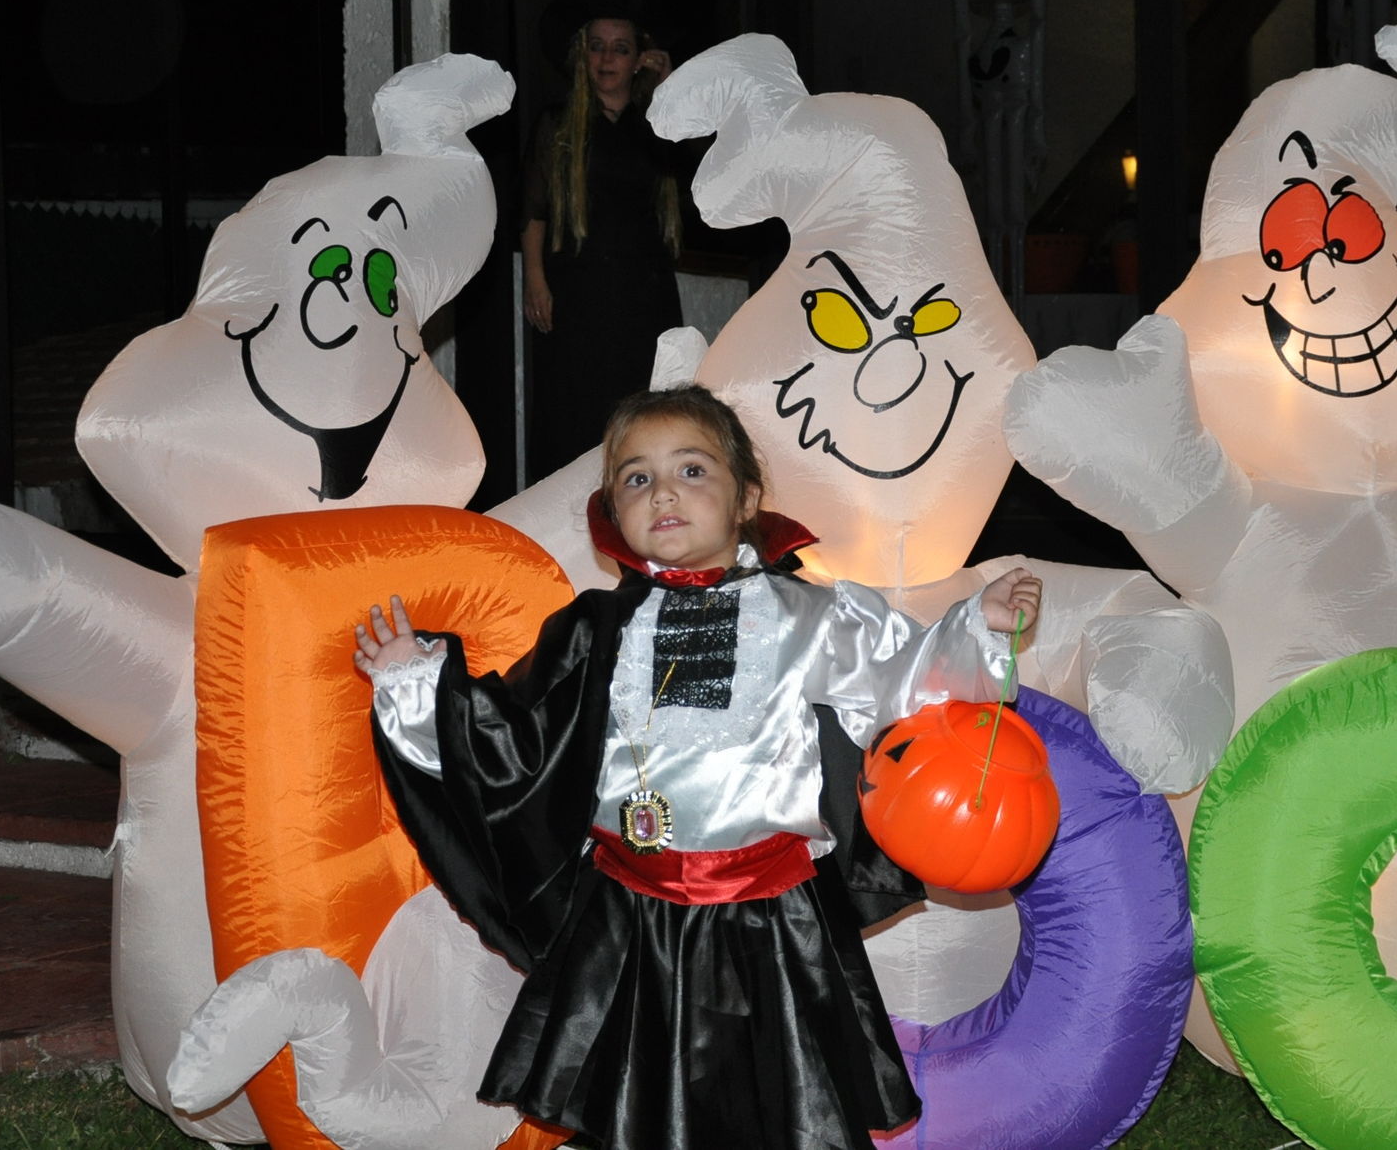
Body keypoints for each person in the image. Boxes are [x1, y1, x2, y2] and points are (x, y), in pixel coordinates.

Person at [352, 384, 1042, 1149]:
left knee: (779, 1105)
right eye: (636, 477)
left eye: (691, 469)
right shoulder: (592, 632)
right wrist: (418, 685)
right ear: (612, 512)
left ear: (745, 496)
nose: (663, 492)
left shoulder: (813, 617)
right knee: (641, 1108)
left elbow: (910, 680)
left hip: (771, 915)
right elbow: (513, 747)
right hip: (629, 917)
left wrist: (977, 628)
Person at [522, 0, 687, 476]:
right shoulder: (557, 123)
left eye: (620, 48)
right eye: (597, 47)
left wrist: (668, 87)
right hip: (577, 290)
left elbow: (691, 170)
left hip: (644, 292)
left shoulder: (657, 124)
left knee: (644, 413)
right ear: (582, 55)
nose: (607, 59)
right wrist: (534, 279)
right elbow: (533, 211)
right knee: (574, 411)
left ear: (639, 59)